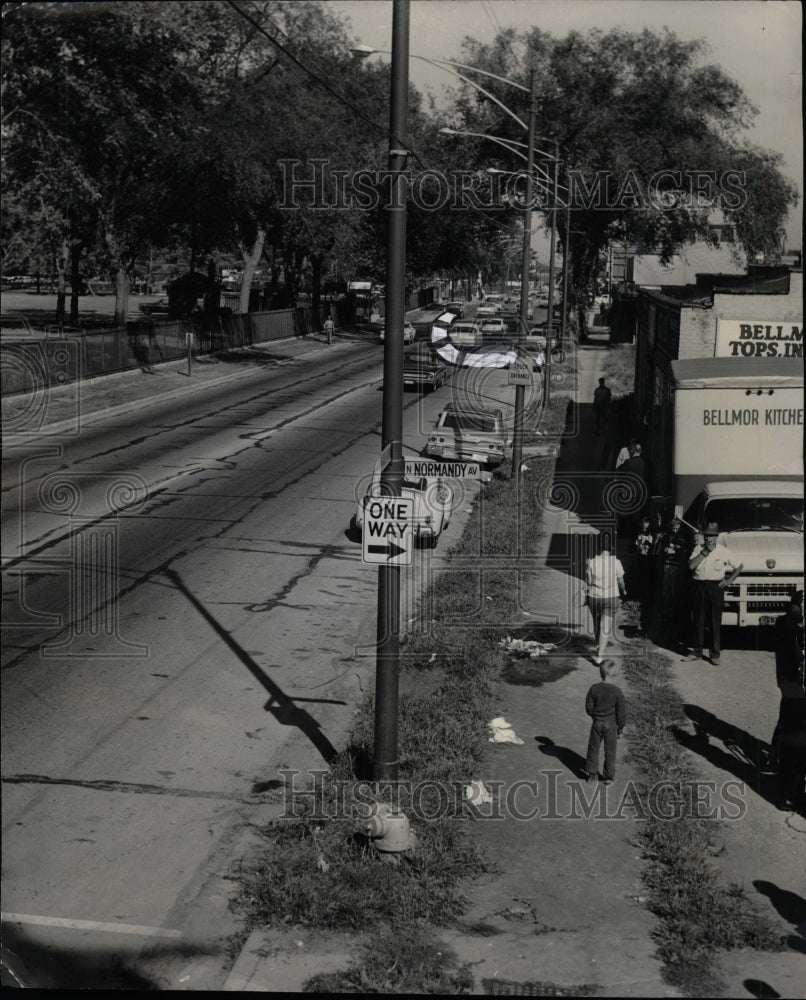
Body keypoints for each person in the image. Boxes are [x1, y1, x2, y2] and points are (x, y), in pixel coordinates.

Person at [682, 522, 743, 665]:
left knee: (714, 621)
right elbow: (691, 566)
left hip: (716, 588)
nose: (708, 538)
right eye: (706, 535)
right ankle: (697, 651)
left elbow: (739, 566)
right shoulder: (698, 548)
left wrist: (729, 581)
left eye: (712, 536)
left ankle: (715, 654)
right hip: (699, 587)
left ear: (717, 536)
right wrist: (704, 553)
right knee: (698, 620)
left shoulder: (724, 551)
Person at [767, 591, 805, 782]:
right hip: (791, 679)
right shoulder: (786, 623)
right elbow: (794, 652)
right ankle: (774, 757)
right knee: (790, 718)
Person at [585, 534, 627, 665]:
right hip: (611, 598)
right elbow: (620, 582)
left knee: (597, 623)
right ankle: (600, 655)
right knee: (605, 626)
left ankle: (599, 646)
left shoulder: (592, 562)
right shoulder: (616, 562)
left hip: (594, 597)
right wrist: (624, 590)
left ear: (599, 547)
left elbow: (588, 581)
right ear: (612, 547)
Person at [584, 659, 627, 785]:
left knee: (593, 748)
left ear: (601, 673)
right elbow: (621, 712)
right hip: (611, 724)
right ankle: (608, 776)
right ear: (614, 673)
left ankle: (592, 775)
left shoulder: (594, 688)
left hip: (597, 722)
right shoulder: (617, 692)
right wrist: (621, 728)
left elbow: (589, 706)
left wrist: (594, 716)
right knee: (610, 750)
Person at [653, 515, 691, 644]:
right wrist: (665, 551)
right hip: (667, 566)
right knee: (666, 593)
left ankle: (675, 621)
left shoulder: (683, 538)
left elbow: (686, 553)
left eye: (677, 528)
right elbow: (660, 551)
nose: (674, 530)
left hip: (677, 568)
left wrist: (675, 551)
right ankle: (666, 616)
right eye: (673, 528)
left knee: (675, 593)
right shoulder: (666, 536)